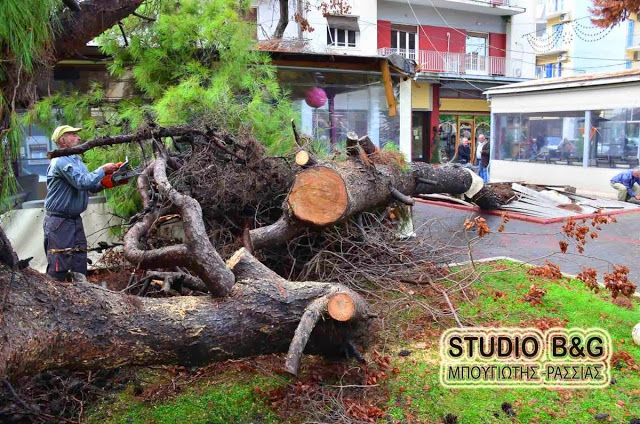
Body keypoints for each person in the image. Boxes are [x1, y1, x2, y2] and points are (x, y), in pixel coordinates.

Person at [44, 125, 120, 280]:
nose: (78, 138)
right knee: (59, 263)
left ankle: (82, 297)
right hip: (59, 221)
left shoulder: (76, 160)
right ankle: (54, 298)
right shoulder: (60, 161)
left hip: (74, 220)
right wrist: (102, 170)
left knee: (79, 260)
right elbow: (82, 182)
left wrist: (111, 180)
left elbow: (90, 186)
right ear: (63, 140)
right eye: (73, 135)